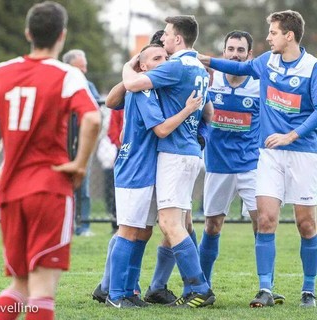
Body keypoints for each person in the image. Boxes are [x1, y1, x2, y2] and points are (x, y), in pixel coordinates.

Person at [199, 10, 317, 308]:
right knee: (265, 220)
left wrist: (292, 135)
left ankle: (308, 290)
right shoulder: (267, 62)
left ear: (288, 35)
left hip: (303, 153)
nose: (269, 38)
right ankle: (265, 288)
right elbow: (234, 65)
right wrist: (205, 59)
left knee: (306, 225)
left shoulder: (312, 67)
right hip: (268, 156)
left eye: (273, 33)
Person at [0, 2, 101, 320]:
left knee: (19, 285)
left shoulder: (2, 72)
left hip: (10, 189)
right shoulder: (66, 74)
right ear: (62, 36)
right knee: (42, 287)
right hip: (48, 187)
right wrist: (80, 164)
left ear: (28, 33)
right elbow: (93, 119)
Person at [100, 43, 203, 308]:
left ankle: (130, 293)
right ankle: (115, 294)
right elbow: (160, 130)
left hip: (148, 169)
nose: (164, 61)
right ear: (142, 66)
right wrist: (188, 110)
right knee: (128, 230)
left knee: (141, 232)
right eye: (156, 58)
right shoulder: (143, 90)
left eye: (166, 57)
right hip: (135, 167)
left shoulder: (156, 88)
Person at [123, 15, 215, 308]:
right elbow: (209, 113)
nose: (162, 39)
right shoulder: (200, 69)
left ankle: (200, 288)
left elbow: (133, 84)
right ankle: (170, 287)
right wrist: (196, 128)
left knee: (169, 223)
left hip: (174, 154)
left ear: (178, 39)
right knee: (182, 223)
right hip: (190, 151)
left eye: (167, 36)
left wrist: (130, 64)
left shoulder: (175, 66)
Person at [198, 30, 284, 305]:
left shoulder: (260, 82)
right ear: (224, 52)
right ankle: (203, 285)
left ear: (249, 55)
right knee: (212, 226)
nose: (234, 54)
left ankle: (266, 287)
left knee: (263, 223)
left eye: (240, 50)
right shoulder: (211, 80)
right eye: (230, 49)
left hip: (251, 165)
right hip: (217, 165)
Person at [62, 49, 101, 236]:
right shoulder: (60, 84)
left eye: (84, 67)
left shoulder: (89, 86)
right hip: (63, 143)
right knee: (62, 186)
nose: (84, 71)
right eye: (80, 67)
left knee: (83, 187)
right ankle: (65, 225)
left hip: (83, 143)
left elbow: (96, 113)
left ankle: (83, 225)